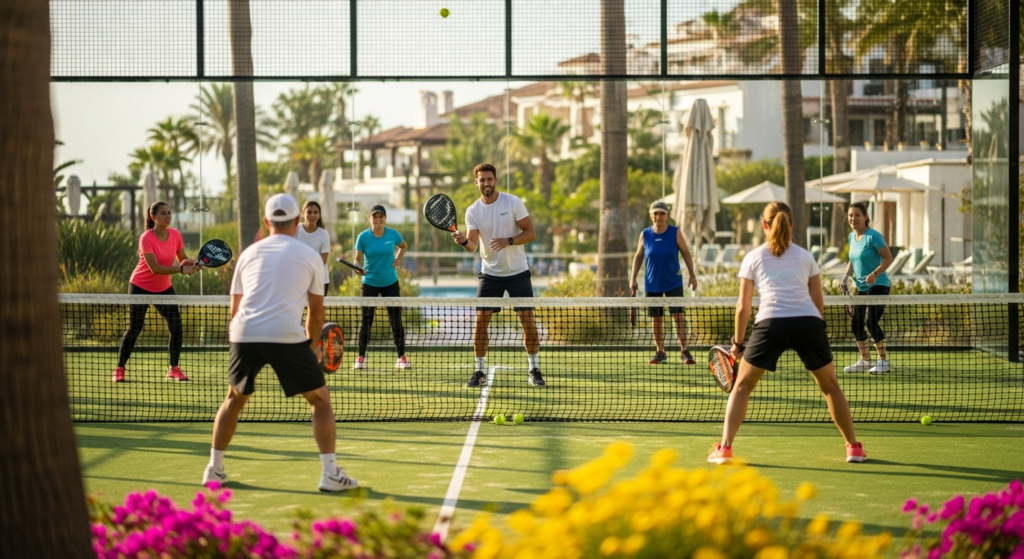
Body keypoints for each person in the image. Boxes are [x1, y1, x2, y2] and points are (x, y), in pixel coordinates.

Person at [202, 193, 358, 492]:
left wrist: (239, 341)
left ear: (266, 221)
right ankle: (329, 473)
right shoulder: (310, 256)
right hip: (286, 335)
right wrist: (311, 350)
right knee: (320, 401)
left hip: (244, 332)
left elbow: (235, 309)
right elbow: (315, 314)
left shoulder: (248, 254)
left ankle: (214, 469)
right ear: (297, 221)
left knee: (233, 399)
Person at [708, 202, 866, 465]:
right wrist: (813, 332)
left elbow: (743, 307)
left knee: (742, 387)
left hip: (771, 324)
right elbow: (818, 304)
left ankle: (724, 449)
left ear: (764, 225)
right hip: (808, 323)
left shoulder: (753, 257)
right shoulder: (806, 257)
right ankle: (853, 448)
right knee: (830, 387)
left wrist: (737, 343)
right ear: (791, 224)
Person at [452, 163, 543, 388]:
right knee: (481, 322)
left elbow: (530, 233)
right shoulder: (472, 211)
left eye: (489, 179)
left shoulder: (513, 202)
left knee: (528, 322)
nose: (486, 183)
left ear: (496, 180)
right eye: (482, 180)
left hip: (518, 272)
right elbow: (473, 246)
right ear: (476, 183)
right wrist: (463, 241)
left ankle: (534, 369)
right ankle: (479, 370)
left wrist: (509, 240)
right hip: (489, 273)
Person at [112, 201, 196, 383]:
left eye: (169, 213)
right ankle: (119, 369)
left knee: (176, 327)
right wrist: (181, 270)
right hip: (140, 286)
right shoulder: (146, 238)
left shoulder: (176, 235)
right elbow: (155, 268)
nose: (167, 216)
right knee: (135, 328)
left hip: (163, 288)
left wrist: (193, 263)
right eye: (163, 213)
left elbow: (182, 259)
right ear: (153, 217)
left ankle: (174, 368)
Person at [630, 200, 699, 365]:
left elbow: (687, 255)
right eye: (656, 213)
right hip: (652, 284)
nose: (658, 216)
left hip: (673, 283)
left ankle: (684, 351)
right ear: (651, 215)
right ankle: (660, 351)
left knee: (679, 317)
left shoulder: (675, 232)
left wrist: (692, 275)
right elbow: (638, 256)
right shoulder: (645, 234)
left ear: (667, 215)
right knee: (657, 318)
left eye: (662, 213)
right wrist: (633, 279)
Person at [352, 204, 410, 370]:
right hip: (368, 283)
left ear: (384, 218)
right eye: (374, 217)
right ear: (369, 218)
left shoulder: (393, 234)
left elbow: (403, 246)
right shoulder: (363, 237)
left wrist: (398, 258)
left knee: (396, 322)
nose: (378, 220)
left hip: (390, 283)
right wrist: (357, 267)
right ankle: (361, 358)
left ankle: (402, 358)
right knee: (366, 322)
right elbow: (356, 259)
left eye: (380, 217)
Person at [842, 201, 894, 374]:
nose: (853, 218)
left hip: (878, 285)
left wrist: (875, 274)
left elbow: (888, 259)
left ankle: (883, 361)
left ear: (865, 217)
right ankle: (865, 360)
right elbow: (853, 260)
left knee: (871, 322)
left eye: (857, 215)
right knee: (856, 324)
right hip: (861, 287)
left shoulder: (874, 236)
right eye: (851, 215)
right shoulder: (852, 237)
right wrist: (845, 277)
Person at [295, 200, 331, 296]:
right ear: (303, 214)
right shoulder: (295, 230)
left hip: (320, 280)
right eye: (309, 212)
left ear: (319, 215)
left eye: (315, 212)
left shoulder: (324, 234)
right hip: (299, 280)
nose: (312, 215)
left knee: (317, 311)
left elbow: (322, 261)